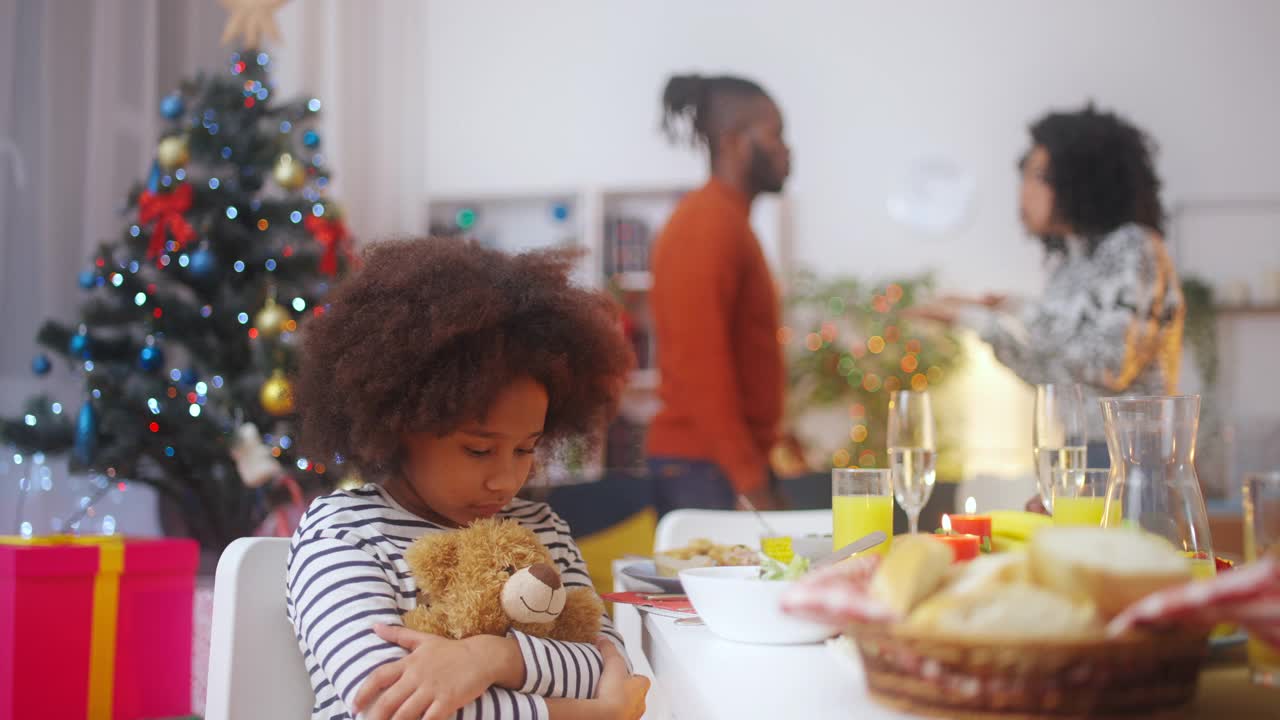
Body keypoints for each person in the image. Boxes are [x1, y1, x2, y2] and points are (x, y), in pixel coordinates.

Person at [286, 238, 646, 720]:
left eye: (526, 448)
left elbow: (607, 662)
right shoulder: (344, 535)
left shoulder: (542, 528)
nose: (506, 479)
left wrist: (491, 658)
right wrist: (594, 714)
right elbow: (389, 707)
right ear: (402, 424)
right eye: (479, 449)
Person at [909, 103, 1185, 470]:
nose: (1024, 191)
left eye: (1039, 176)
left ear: (1081, 179)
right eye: (1025, 175)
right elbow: (1054, 376)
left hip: (1133, 455)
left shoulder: (1133, 247)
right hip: (1079, 448)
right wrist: (980, 323)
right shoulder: (1068, 266)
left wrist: (1013, 310)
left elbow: (1109, 363)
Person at [646, 73, 792, 515]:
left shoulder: (727, 221)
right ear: (733, 141)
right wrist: (750, 480)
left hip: (716, 464)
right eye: (775, 133)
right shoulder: (707, 224)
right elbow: (701, 366)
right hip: (705, 469)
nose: (787, 149)